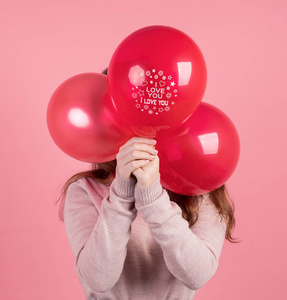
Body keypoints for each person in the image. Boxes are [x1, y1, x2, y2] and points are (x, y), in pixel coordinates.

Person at [57, 69, 237, 300]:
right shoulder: (84, 190)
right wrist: (121, 194)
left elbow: (197, 275)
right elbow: (98, 280)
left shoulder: (201, 189)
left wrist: (152, 196)